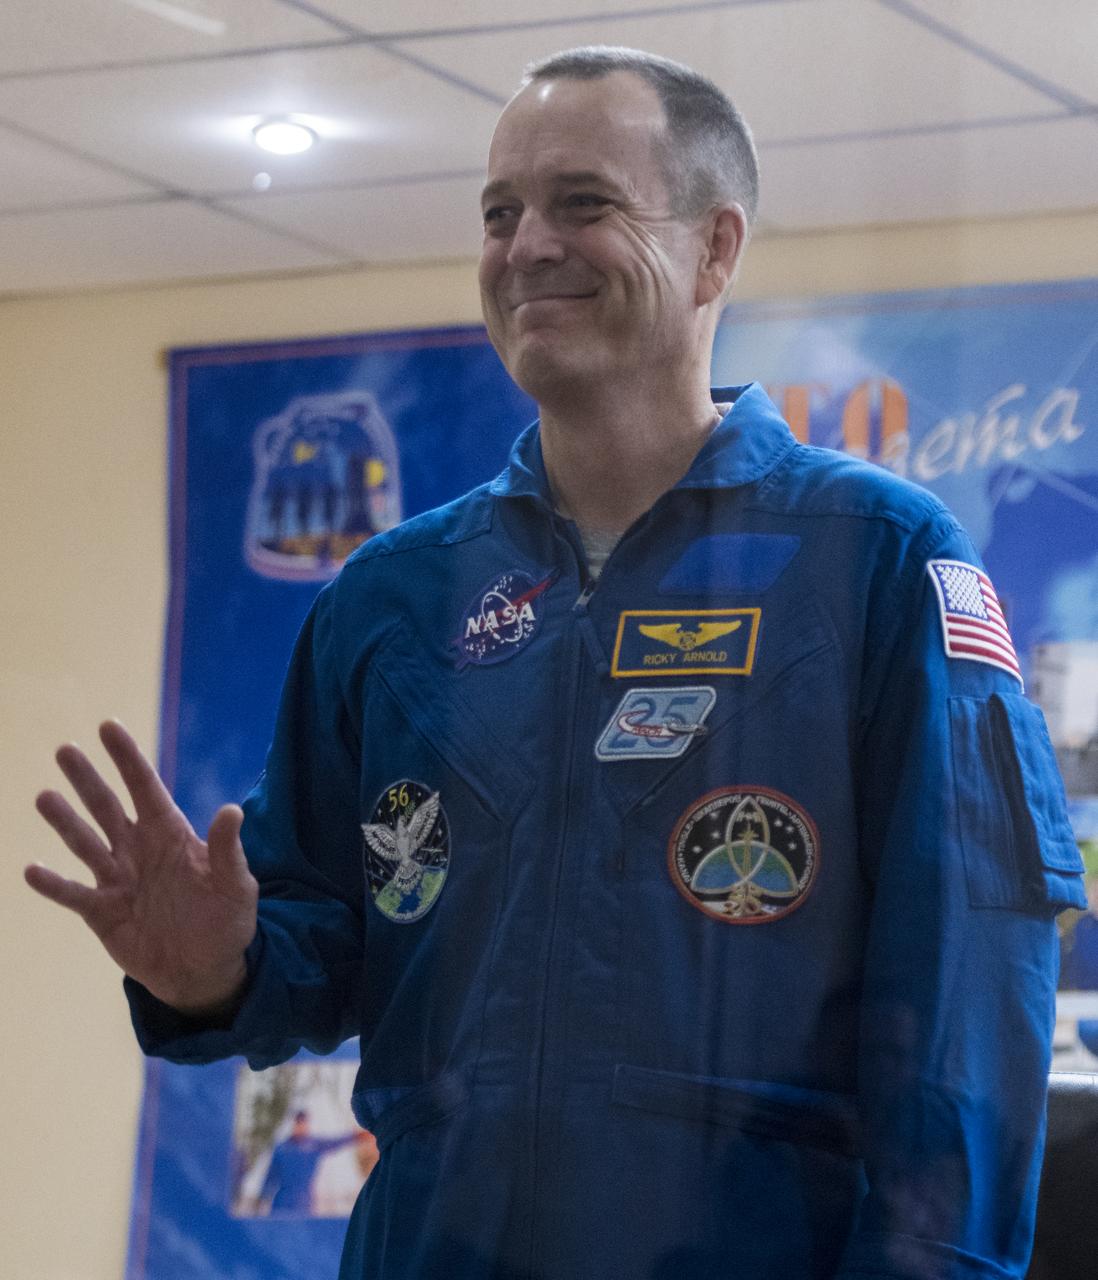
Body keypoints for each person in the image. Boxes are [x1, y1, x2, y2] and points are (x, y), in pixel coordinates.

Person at [27, 45, 1085, 1280]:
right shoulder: (393, 597)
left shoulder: (877, 560)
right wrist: (221, 969)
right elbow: (323, 937)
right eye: (499, 212)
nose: (527, 244)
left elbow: (969, 1002)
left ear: (715, 248)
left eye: (582, 202)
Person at [255, 1110, 363, 1216]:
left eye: (304, 1123)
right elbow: (270, 1176)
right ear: (293, 1124)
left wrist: (356, 1136)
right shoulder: (281, 1149)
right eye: (298, 1123)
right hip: (282, 1204)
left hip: (304, 1204)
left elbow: (335, 1142)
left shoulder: (314, 1145)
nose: (301, 1127)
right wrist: (261, 1198)